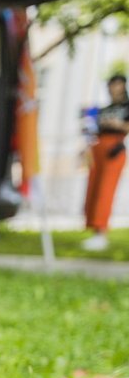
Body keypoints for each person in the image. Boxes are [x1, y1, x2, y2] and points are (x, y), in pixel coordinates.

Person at [82, 74, 129, 252]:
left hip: (114, 149)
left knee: (105, 190)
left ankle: (101, 232)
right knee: (93, 189)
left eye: (117, 84)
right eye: (111, 84)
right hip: (98, 148)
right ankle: (93, 227)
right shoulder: (102, 109)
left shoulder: (126, 107)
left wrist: (119, 125)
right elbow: (90, 129)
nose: (113, 88)